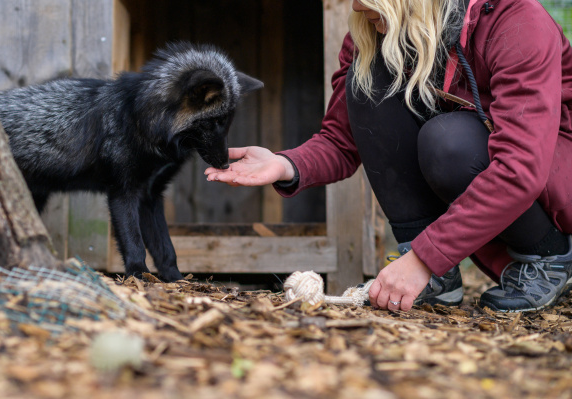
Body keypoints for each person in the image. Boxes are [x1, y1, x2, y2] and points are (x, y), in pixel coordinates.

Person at [205, 0, 572, 313]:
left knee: (448, 143)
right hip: (485, 177)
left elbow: (519, 168)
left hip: (553, 181)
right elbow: (342, 139)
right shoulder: (374, 29)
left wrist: (427, 257)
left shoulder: (517, 21)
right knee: (366, 80)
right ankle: (437, 276)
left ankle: (547, 258)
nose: (359, 12)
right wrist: (285, 164)